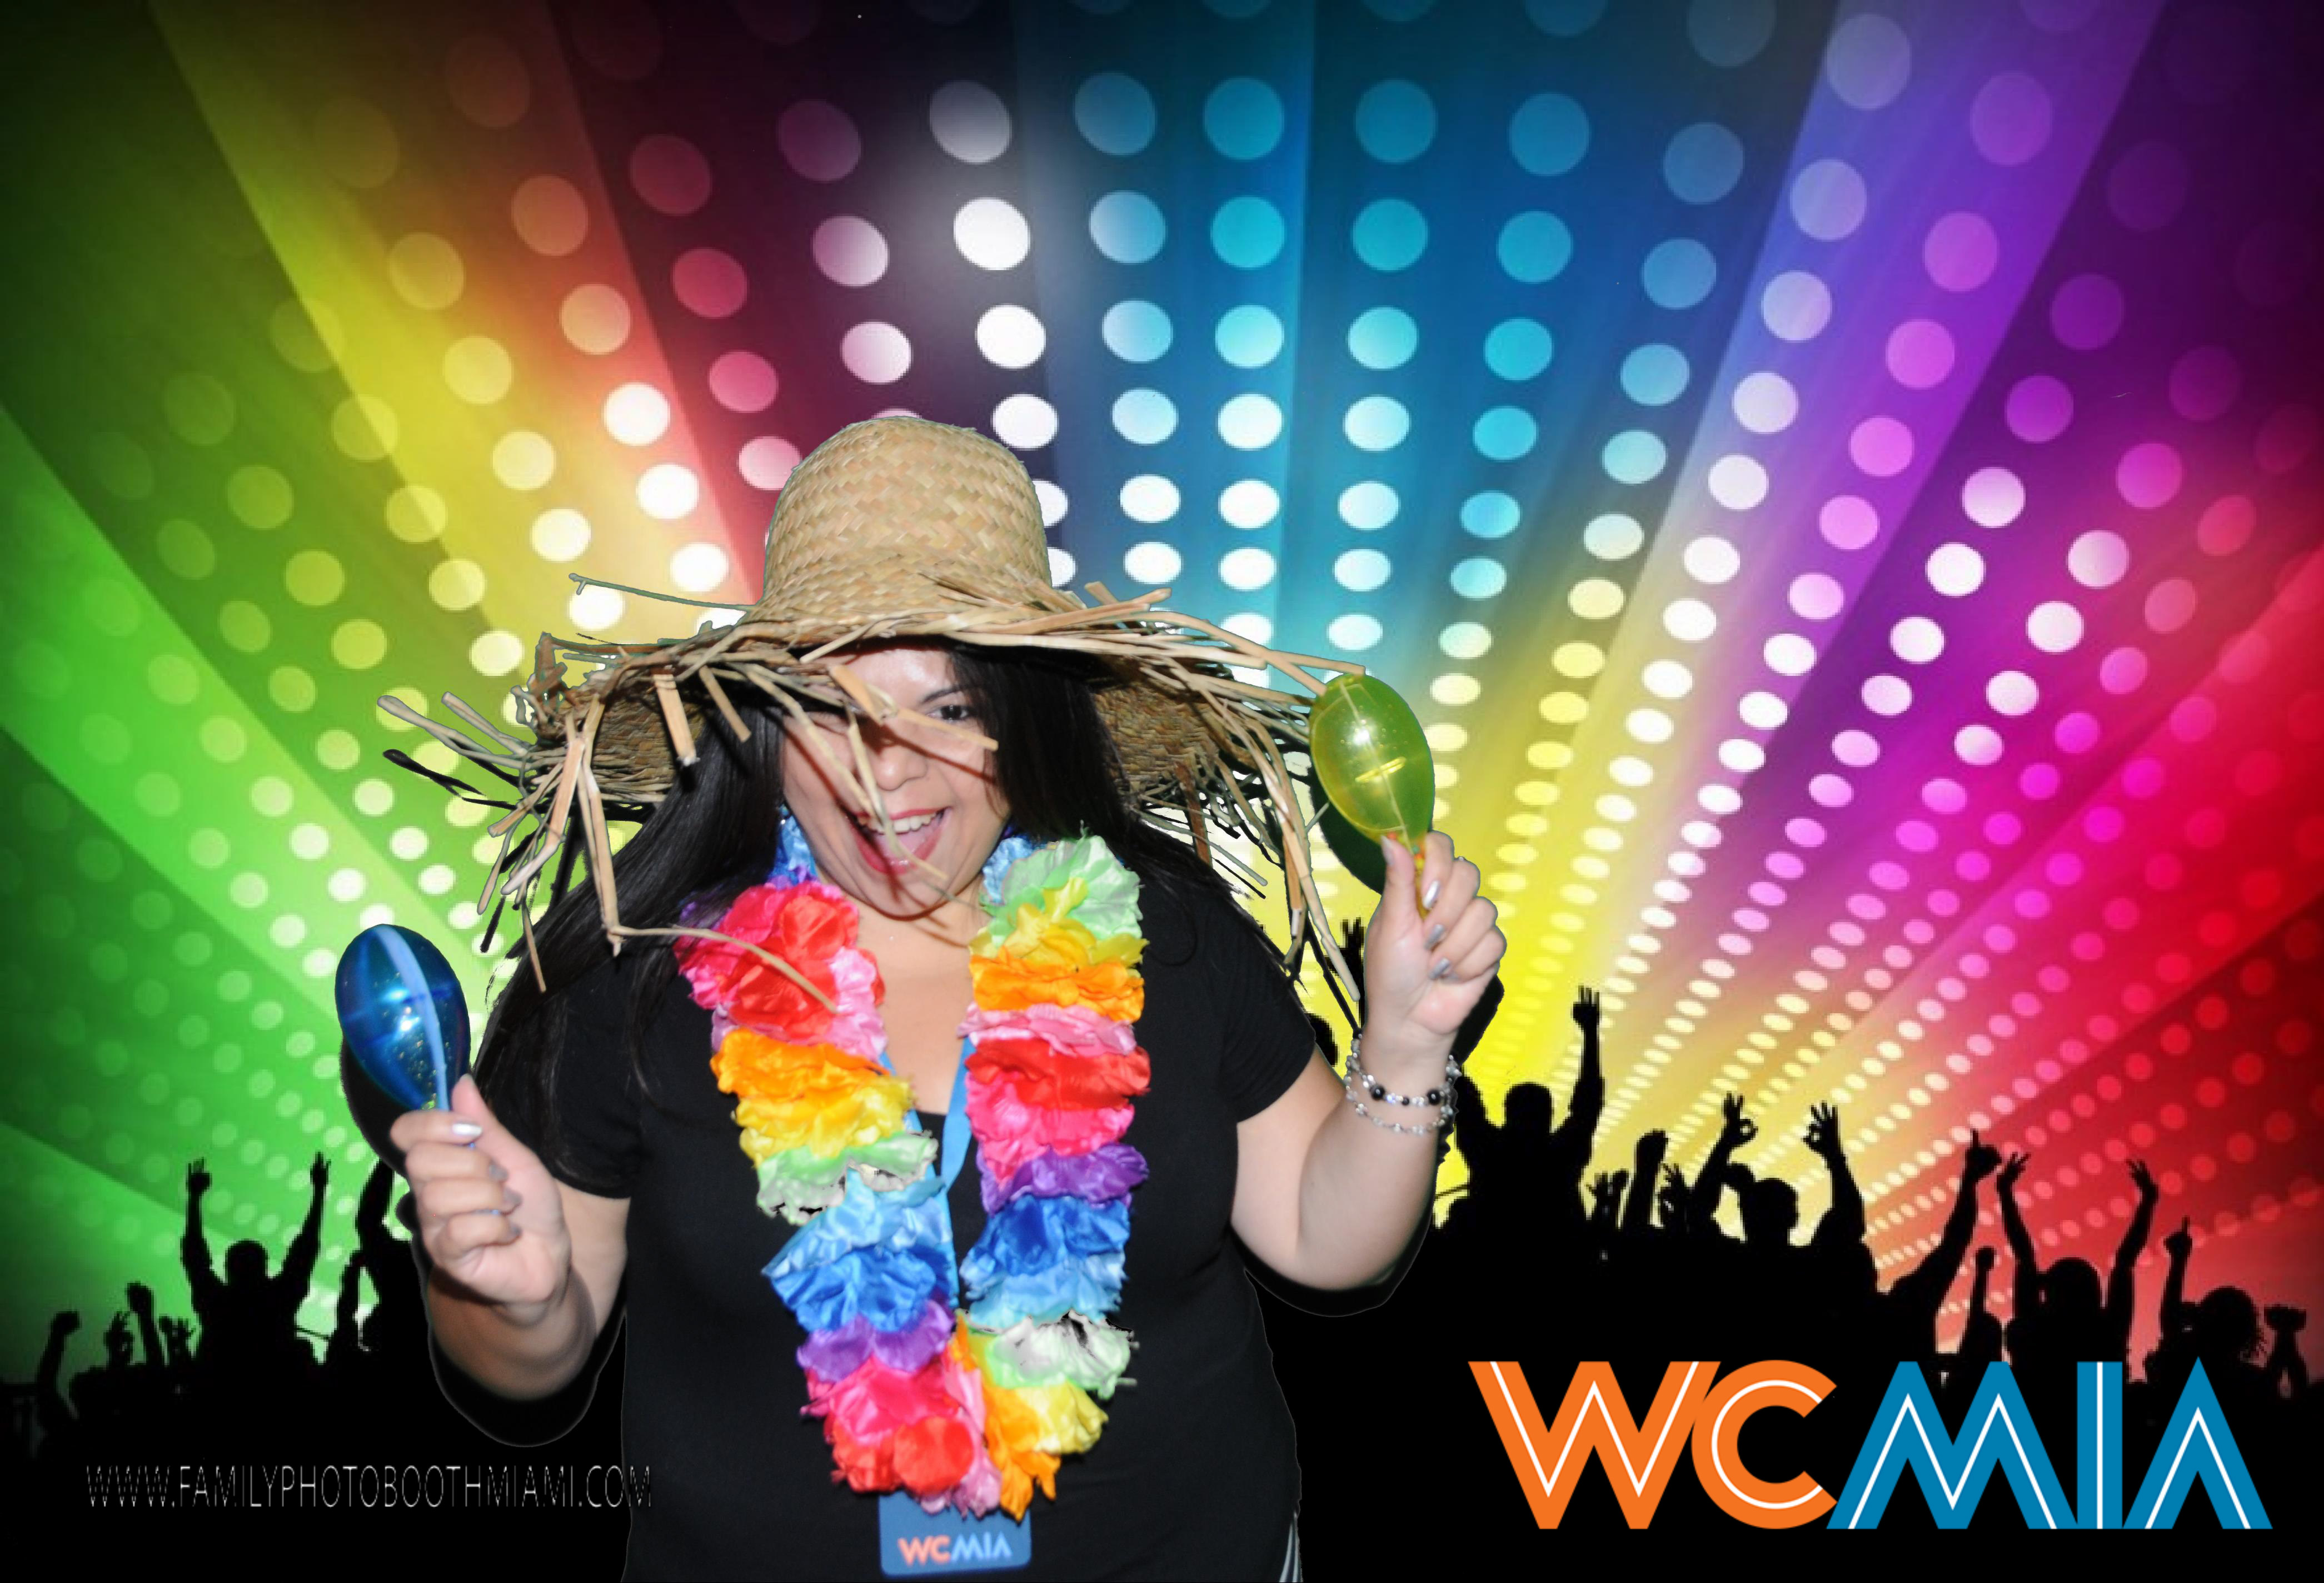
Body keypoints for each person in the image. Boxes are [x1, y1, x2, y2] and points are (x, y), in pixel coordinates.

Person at [385, 416, 1505, 1579]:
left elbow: (1329, 1241)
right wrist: (512, 1302)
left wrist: (1407, 1042)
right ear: (765, 729)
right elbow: (527, 1358)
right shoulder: (641, 975)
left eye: (951, 708)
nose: (888, 770)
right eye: (832, 707)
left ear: (1024, 718)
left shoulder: (1164, 933)